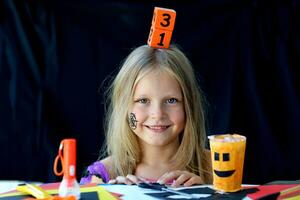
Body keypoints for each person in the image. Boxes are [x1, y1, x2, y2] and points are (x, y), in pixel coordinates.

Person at [80, 44, 212, 187]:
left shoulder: (218, 167)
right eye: (143, 101)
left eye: (171, 100)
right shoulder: (100, 176)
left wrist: (209, 194)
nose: (157, 114)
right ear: (124, 108)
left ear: (189, 106)